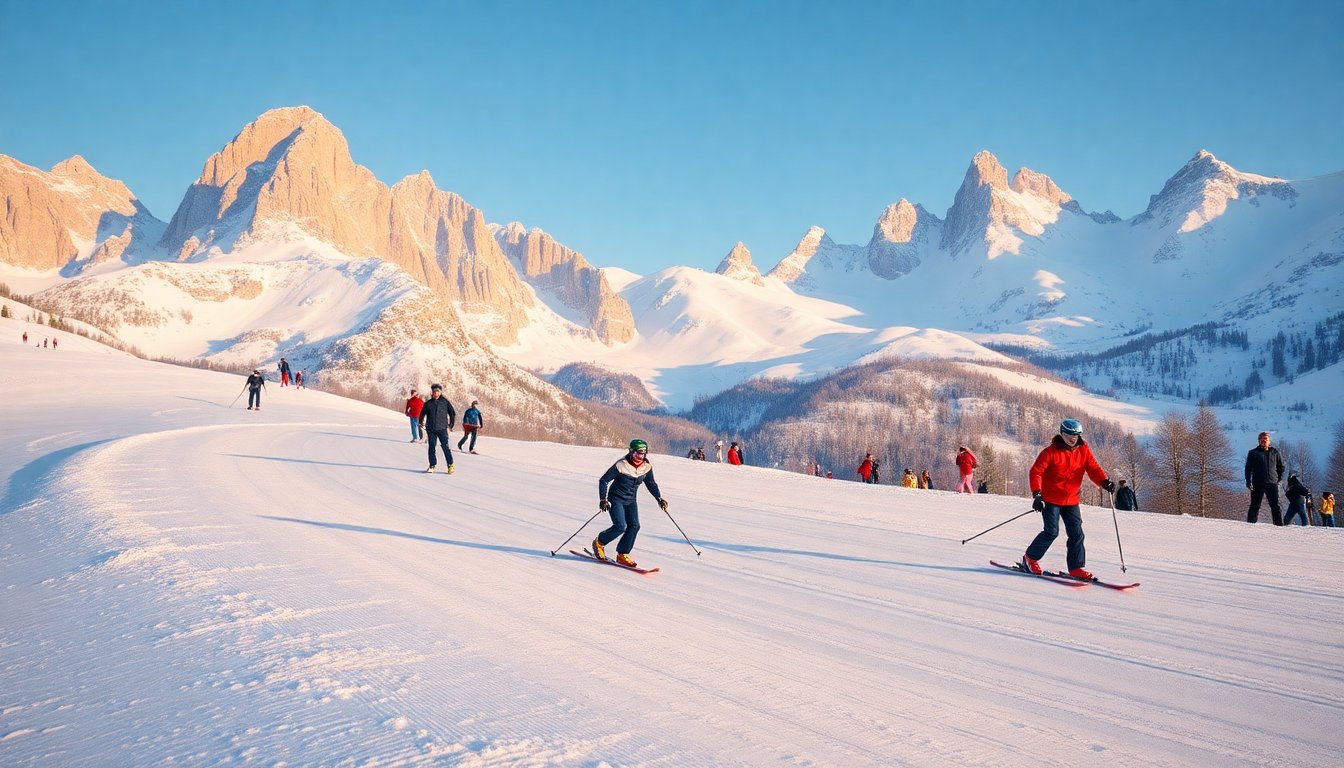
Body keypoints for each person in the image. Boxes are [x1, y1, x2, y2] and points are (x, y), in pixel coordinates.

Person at [1021, 418, 1113, 579]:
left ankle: (1076, 568)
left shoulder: (1083, 450)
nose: (1074, 438)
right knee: (1051, 532)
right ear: (1062, 434)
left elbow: (1093, 468)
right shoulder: (1050, 452)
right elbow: (1035, 472)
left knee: (1077, 533)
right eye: (1070, 434)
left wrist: (1104, 482)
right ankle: (1030, 558)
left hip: (1071, 500)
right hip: (1050, 499)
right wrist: (1037, 494)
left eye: (1077, 434)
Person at [594, 439, 669, 568]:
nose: (640, 457)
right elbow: (604, 480)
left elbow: (650, 483)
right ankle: (599, 542)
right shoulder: (621, 465)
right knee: (620, 526)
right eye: (637, 454)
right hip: (616, 498)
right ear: (630, 452)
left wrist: (659, 498)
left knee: (634, 526)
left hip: (631, 500)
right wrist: (603, 499)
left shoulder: (646, 466)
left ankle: (622, 553)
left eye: (643, 454)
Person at [1245, 431, 1285, 525]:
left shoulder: (1275, 452)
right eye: (1262, 439)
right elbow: (1248, 468)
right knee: (1255, 505)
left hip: (1272, 483)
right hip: (1258, 483)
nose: (1264, 441)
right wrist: (1248, 481)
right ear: (1259, 441)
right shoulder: (1253, 453)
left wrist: (1278, 478)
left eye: (1265, 439)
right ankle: (1250, 525)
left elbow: (1281, 466)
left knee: (1275, 506)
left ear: (1269, 441)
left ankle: (1279, 526)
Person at [418, 384, 456, 473]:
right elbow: (422, 414)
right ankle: (432, 465)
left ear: (440, 392)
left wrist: (451, 424)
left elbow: (452, 413)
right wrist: (420, 422)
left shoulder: (445, 402)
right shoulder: (428, 403)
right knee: (431, 447)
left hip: (442, 429)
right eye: (434, 391)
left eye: (437, 391)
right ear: (432, 392)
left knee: (445, 447)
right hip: (431, 429)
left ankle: (450, 465)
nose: (435, 393)